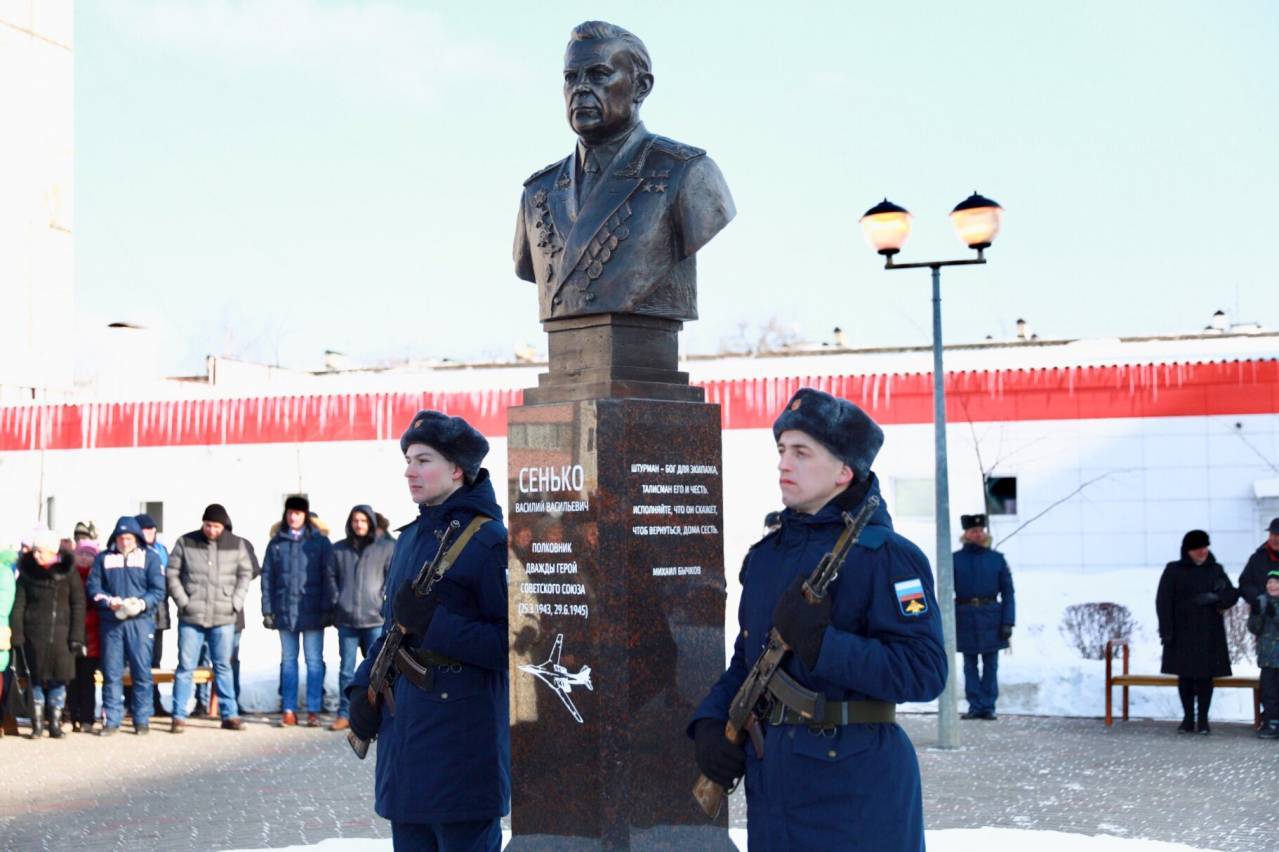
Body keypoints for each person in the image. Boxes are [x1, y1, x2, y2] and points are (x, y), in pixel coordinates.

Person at [690, 388, 947, 851]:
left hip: (856, 789)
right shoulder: (767, 557)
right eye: (782, 450)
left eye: (802, 453)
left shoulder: (888, 557)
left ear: (844, 470)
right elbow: (749, 661)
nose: (784, 464)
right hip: (776, 790)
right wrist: (711, 722)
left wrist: (823, 645)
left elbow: (924, 672)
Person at [345, 410, 510, 851]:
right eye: (408, 460)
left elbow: (511, 646)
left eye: (423, 460)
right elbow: (392, 628)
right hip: (407, 740)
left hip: (462, 743)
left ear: (457, 469)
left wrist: (437, 626)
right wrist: (362, 688)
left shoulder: (490, 542)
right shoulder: (412, 538)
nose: (409, 471)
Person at [513, 20, 735, 322]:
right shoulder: (538, 192)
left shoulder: (686, 173)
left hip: (643, 349)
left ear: (641, 86)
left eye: (598, 74)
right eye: (571, 77)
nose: (580, 89)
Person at [165, 503, 255, 732]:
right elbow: (172, 572)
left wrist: (236, 600)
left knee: (223, 666)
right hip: (191, 616)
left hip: (224, 616)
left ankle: (230, 715)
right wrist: (183, 601)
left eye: (215, 526)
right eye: (208, 525)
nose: (211, 530)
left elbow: (246, 573)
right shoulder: (186, 542)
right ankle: (178, 715)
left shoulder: (236, 544)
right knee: (186, 667)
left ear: (223, 526)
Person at [87, 516, 166, 735]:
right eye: (121, 538)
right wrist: (108, 601)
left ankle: (142, 719)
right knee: (111, 673)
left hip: (140, 623)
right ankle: (112, 720)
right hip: (112, 624)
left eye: (129, 538)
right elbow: (94, 588)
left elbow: (158, 590)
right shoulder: (104, 558)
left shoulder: (150, 557)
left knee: (141, 672)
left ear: (136, 538)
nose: (125, 542)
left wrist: (141, 603)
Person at [1156, 529, 1239, 734]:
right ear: (1189, 550)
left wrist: (1217, 597)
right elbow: (1163, 601)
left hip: (1208, 633)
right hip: (1181, 633)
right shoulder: (1174, 570)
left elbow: (1232, 595)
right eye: (1199, 548)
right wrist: (1166, 630)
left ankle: (1203, 720)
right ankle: (1187, 719)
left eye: (1205, 547)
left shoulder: (1215, 569)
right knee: (1185, 677)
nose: (1203, 551)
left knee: (1205, 678)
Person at [262, 495, 335, 727]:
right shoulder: (276, 543)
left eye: (298, 513)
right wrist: (268, 609)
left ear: (306, 515)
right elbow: (267, 578)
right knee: (289, 661)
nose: (293, 517)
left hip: (313, 610)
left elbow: (329, 576)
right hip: (285, 611)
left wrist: (328, 608)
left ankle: (314, 709)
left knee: (314, 661)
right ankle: (289, 709)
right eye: (290, 513)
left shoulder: (320, 542)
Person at [11, 528, 85, 738]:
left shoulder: (68, 572)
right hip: (33, 635)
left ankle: (54, 723)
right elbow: (19, 605)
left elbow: (78, 604)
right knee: (34, 680)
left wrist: (77, 636)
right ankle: (37, 724)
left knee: (59, 681)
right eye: (34, 551)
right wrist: (18, 635)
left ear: (53, 552)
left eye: (40, 551)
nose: (35, 555)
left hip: (62, 636)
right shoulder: (27, 574)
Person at [327, 504, 394, 732]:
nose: (359, 524)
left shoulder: (385, 548)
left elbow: (391, 579)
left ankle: (376, 712)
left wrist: (382, 602)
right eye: (355, 520)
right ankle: (345, 714)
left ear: (371, 523)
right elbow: (330, 577)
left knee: (377, 670)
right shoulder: (339, 549)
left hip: (374, 619)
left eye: (363, 521)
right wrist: (338, 601)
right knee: (346, 670)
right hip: (347, 620)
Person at [953, 513, 1015, 720]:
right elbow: (945, 591)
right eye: (973, 531)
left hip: (991, 618)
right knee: (969, 665)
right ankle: (974, 706)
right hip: (965, 618)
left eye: (980, 530)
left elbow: (1008, 593)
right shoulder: (955, 560)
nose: (977, 534)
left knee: (991, 665)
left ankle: (988, 706)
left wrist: (1008, 621)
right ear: (966, 534)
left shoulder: (997, 560)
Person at [134, 514, 172, 718]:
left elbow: (169, 579)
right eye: (144, 530)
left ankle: (155, 702)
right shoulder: (133, 551)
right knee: (135, 660)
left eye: (151, 529)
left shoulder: (162, 550)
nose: (148, 533)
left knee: (155, 661)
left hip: (159, 613)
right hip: (138, 613)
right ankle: (134, 702)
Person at [69, 541, 102, 733]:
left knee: (87, 680)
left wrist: (84, 620)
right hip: (72, 635)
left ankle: (88, 718)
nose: (84, 558)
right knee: (71, 680)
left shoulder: (96, 578)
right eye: (81, 554)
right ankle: (73, 716)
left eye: (89, 555)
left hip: (92, 638)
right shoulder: (68, 576)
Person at [1247, 570, 1279, 739]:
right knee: (1269, 691)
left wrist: (1275, 615)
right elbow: (1254, 628)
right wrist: (1258, 613)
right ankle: (1271, 721)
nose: (1272, 586)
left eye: (1276, 582)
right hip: (1267, 657)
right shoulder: (1261, 601)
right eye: (1269, 583)